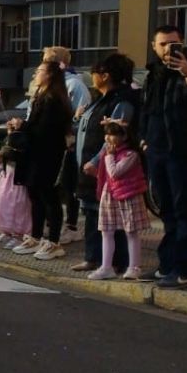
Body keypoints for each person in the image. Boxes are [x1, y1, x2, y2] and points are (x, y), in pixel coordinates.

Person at [141, 24, 187, 288]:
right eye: (162, 44)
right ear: (154, 46)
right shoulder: (154, 74)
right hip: (157, 151)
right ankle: (167, 265)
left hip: (183, 153)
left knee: (185, 211)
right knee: (167, 212)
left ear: (181, 43)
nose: (167, 49)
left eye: (173, 44)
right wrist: (144, 139)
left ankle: (185, 269)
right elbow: (148, 110)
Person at [69, 54, 137, 277]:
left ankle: (116, 262)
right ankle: (92, 257)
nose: (92, 78)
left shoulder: (121, 101)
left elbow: (114, 136)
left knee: (110, 216)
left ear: (105, 75)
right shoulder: (100, 98)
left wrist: (97, 161)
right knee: (90, 212)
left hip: (105, 168)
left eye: (95, 73)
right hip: (87, 166)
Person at [8, 60, 72, 261]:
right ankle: (36, 235)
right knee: (34, 195)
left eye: (40, 71)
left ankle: (54, 241)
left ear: (51, 75)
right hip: (35, 153)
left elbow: (45, 130)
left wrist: (23, 125)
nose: (36, 73)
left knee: (48, 196)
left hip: (47, 154)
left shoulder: (53, 99)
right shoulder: (41, 95)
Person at [85, 120, 149, 281]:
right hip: (110, 193)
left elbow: (115, 172)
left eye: (112, 134)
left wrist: (110, 156)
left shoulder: (131, 155)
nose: (108, 138)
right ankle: (106, 267)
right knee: (106, 230)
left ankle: (134, 267)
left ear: (124, 136)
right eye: (106, 134)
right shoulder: (108, 153)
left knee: (131, 231)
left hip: (129, 195)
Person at [43, 46, 92, 244]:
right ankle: (50, 222)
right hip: (49, 142)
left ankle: (71, 226)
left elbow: (81, 115)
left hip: (67, 144)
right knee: (51, 185)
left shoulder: (74, 85)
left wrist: (70, 130)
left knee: (68, 185)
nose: (42, 63)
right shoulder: (49, 83)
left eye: (46, 60)